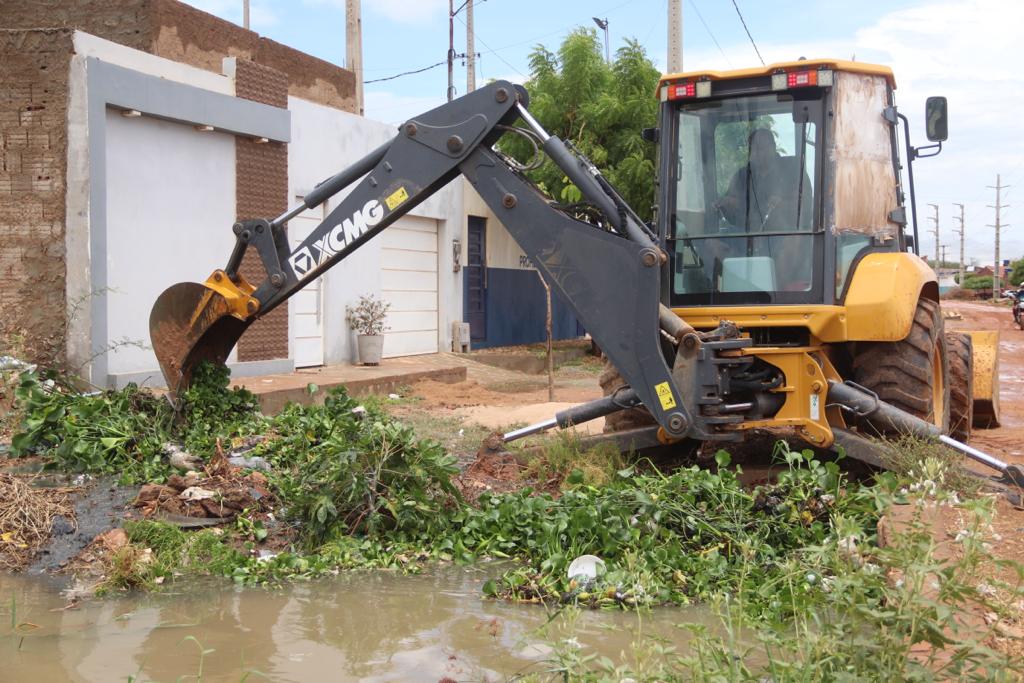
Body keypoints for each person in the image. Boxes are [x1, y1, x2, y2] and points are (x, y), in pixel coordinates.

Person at [715, 128, 813, 232]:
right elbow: (730, 210)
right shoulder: (742, 175)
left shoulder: (793, 168)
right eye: (754, 149)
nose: (758, 153)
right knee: (711, 242)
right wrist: (727, 205)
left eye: (762, 147)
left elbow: (805, 206)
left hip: (785, 235)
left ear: (773, 147)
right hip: (746, 237)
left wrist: (782, 205)